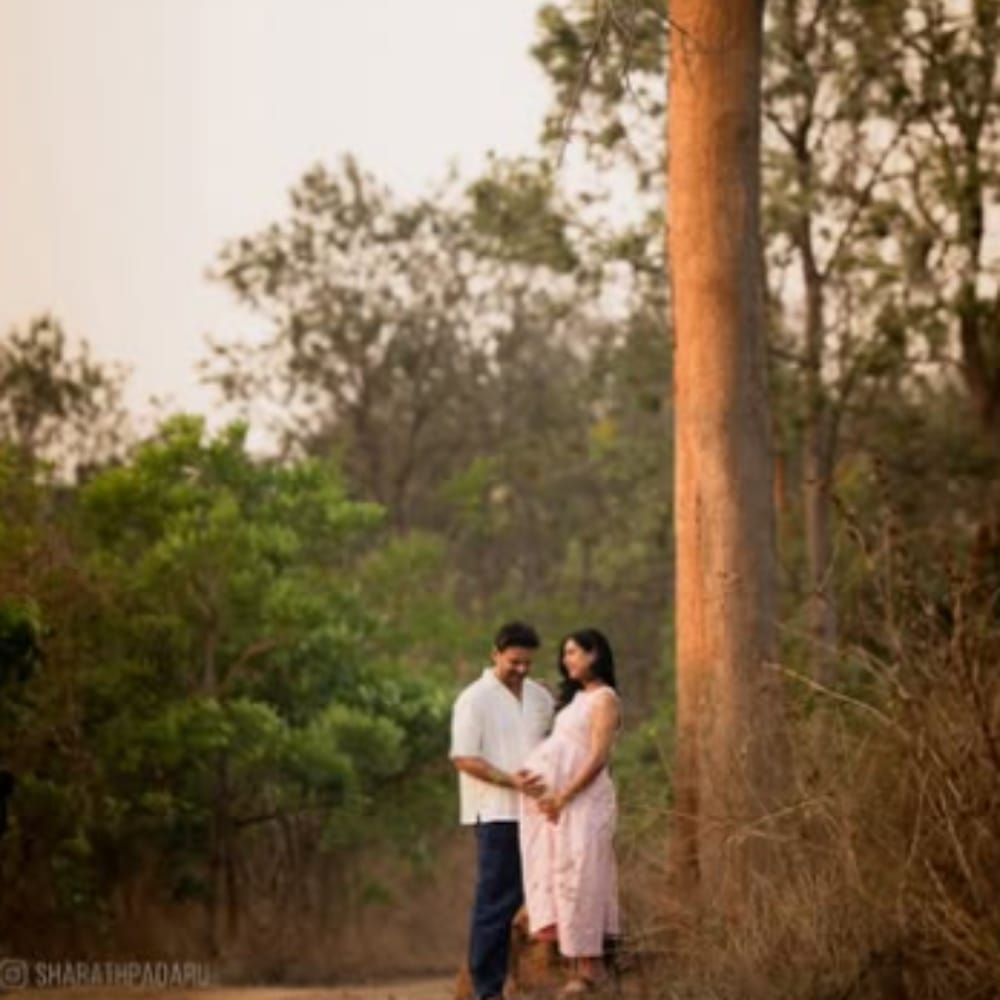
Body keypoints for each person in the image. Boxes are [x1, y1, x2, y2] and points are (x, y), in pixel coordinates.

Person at [450, 621, 556, 1000]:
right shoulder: (473, 699)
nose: (522, 669)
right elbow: (464, 757)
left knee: (544, 897)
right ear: (495, 653)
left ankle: (539, 979)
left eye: (528, 663)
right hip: (496, 814)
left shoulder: (541, 698)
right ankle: (486, 989)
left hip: (542, 813)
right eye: (514, 662)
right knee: (496, 901)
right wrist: (511, 781)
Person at [517, 628, 621, 995]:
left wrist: (565, 794)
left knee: (585, 875)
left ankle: (589, 969)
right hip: (561, 803)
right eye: (565, 654)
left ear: (595, 654)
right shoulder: (576, 700)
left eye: (574, 652)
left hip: (587, 800)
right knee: (564, 872)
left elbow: (597, 756)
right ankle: (576, 963)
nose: (567, 660)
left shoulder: (605, 699)